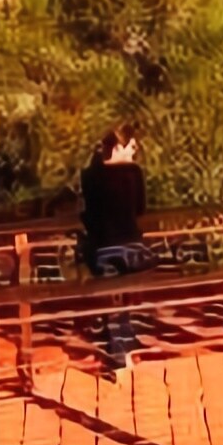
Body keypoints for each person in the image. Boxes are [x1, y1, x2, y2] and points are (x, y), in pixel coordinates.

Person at [80, 125, 155, 373]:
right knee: (124, 300)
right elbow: (141, 209)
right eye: (132, 146)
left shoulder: (90, 176)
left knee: (114, 301)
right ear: (119, 147)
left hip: (102, 246)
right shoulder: (133, 173)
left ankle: (120, 347)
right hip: (130, 244)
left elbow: (89, 212)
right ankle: (122, 351)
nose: (134, 152)